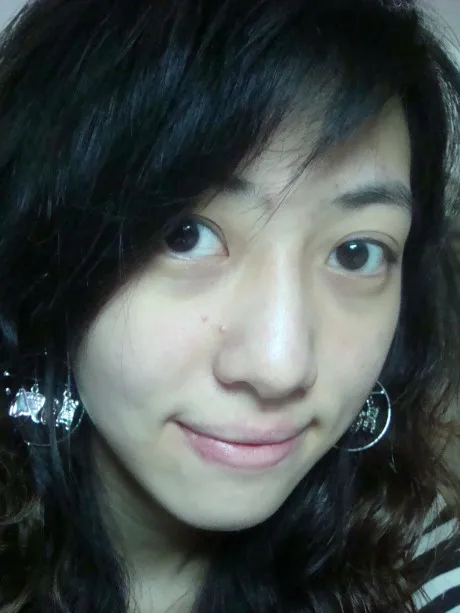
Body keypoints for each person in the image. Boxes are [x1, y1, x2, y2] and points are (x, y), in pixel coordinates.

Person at [0, 0, 459, 611]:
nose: (281, 367)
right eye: (184, 235)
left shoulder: (420, 571)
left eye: (356, 253)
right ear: (43, 250)